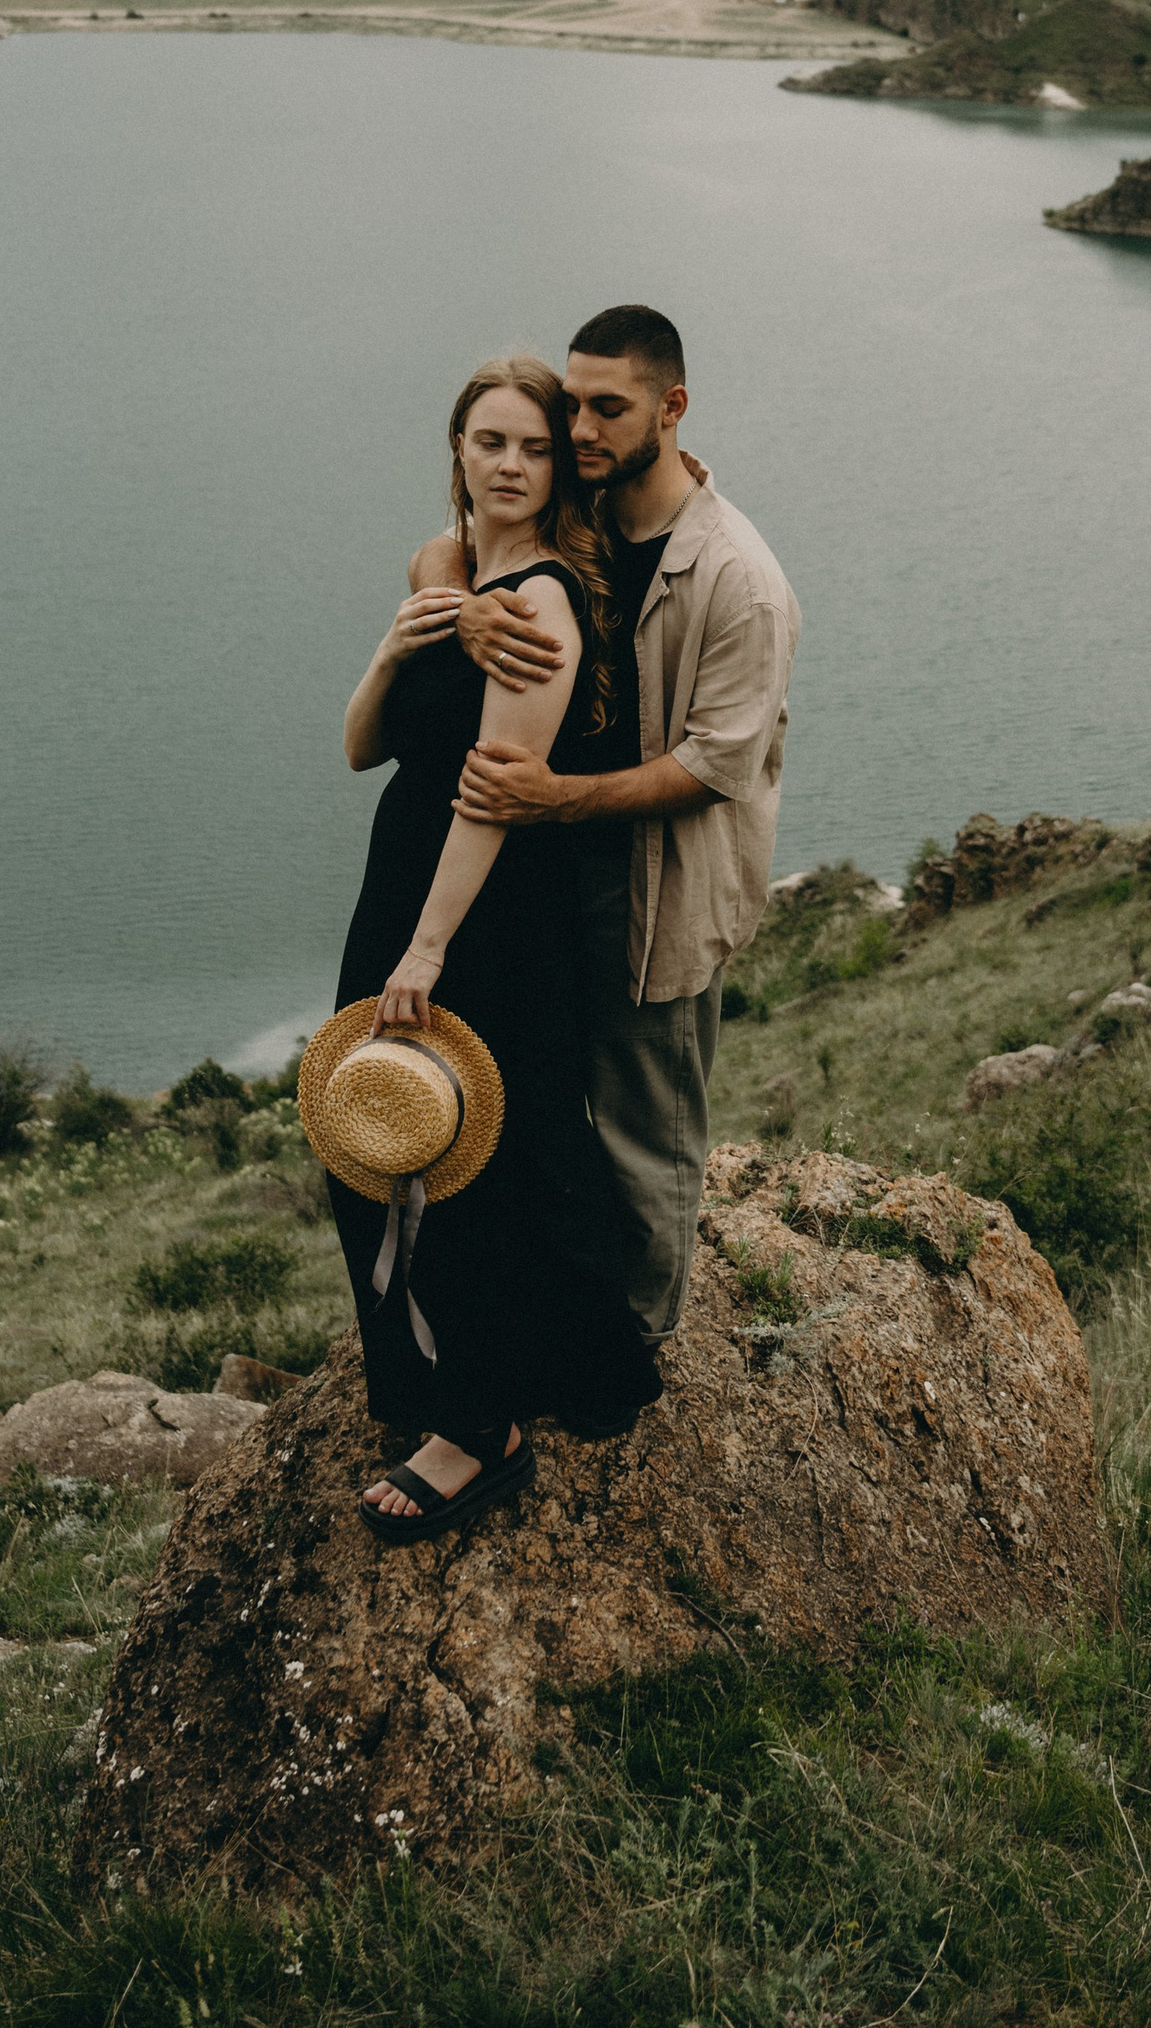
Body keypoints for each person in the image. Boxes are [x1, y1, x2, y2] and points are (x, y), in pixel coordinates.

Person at [328, 353, 660, 1541]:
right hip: (400, 882)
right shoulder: (450, 573)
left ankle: (480, 1428)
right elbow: (365, 747)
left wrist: (423, 954)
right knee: (376, 1139)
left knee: (468, 1163)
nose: (510, 464)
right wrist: (392, 643)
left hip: (479, 911)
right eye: (490, 443)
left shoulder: (539, 607)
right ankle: (437, 1379)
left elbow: (491, 797)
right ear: (457, 451)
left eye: (531, 445)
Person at [449, 305, 800, 1352]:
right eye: (574, 405)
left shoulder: (739, 576)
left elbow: (712, 766)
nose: (582, 429)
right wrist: (462, 604)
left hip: (658, 896)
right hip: (551, 889)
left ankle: (632, 1358)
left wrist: (555, 797)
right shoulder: (583, 513)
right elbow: (452, 544)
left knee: (648, 1144)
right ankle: (558, 1324)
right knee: (547, 1126)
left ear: (672, 407)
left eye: (610, 407)